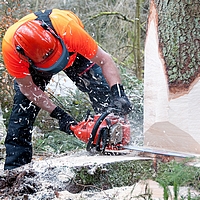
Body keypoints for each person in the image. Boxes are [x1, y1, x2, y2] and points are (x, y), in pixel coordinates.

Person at [2, 9, 132, 170]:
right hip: (35, 67)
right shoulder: (11, 50)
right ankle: (15, 171)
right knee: (21, 115)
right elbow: (28, 89)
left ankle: (113, 135)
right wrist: (59, 114)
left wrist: (118, 94)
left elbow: (105, 60)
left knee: (101, 89)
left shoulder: (68, 29)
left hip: (71, 52)